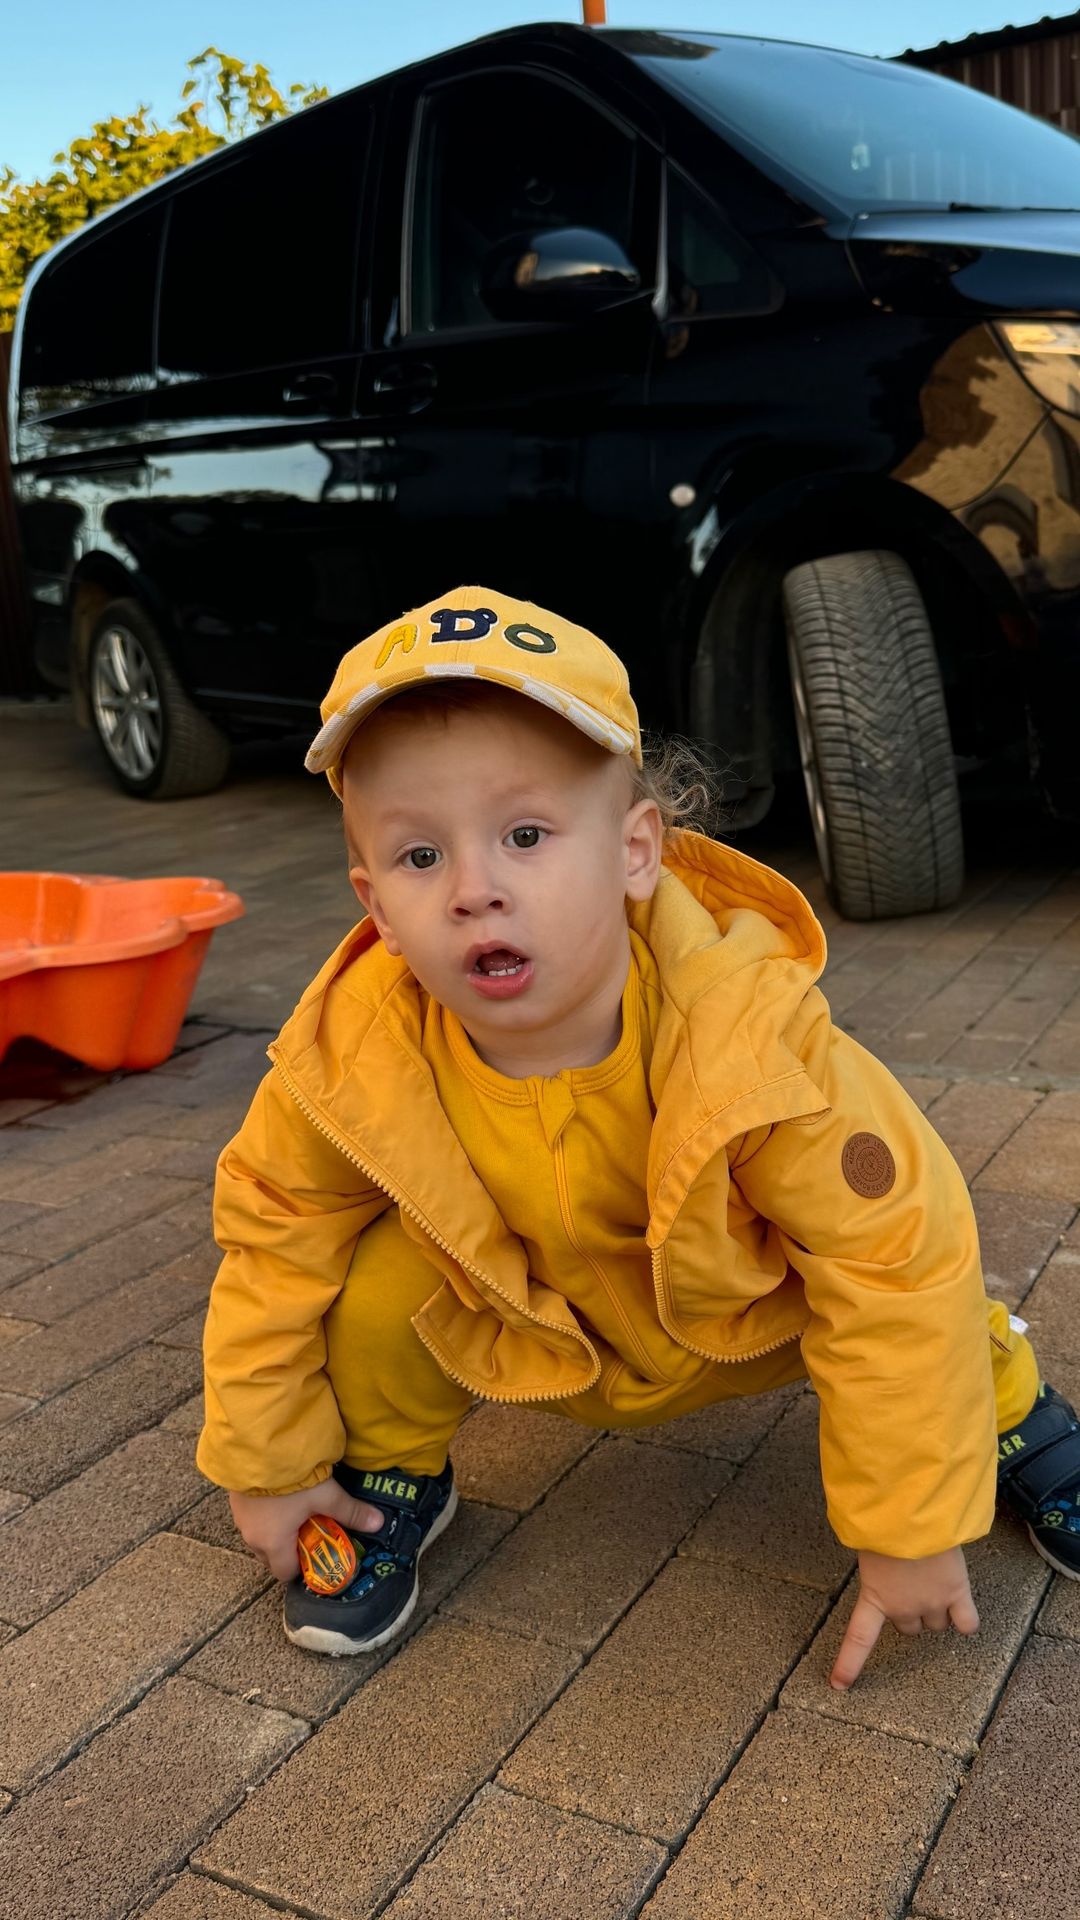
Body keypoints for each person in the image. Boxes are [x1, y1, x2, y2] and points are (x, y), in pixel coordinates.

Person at [197, 585, 1080, 1687]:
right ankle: (391, 1478)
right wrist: (266, 1463)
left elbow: (894, 1259)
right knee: (370, 1287)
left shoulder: (752, 1042)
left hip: (746, 1303)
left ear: (635, 853)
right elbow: (270, 1238)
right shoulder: (349, 1059)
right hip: (539, 1322)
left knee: (903, 1286)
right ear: (374, 907)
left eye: (525, 835)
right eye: (421, 859)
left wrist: (906, 1520)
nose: (475, 891)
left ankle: (1013, 1417)